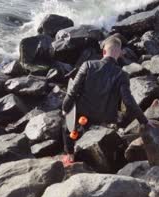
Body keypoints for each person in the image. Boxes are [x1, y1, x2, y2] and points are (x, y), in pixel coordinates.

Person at [61, 36, 149, 164]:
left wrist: (65, 108)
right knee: (127, 108)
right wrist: (144, 121)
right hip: (106, 117)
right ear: (119, 54)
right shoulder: (122, 74)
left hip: (83, 113)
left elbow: (72, 91)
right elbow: (129, 102)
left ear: (103, 52)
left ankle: (70, 154)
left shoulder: (88, 65)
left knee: (67, 126)